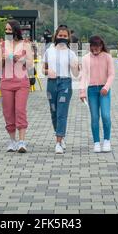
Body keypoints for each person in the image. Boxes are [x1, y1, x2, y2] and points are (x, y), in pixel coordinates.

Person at [0, 20, 34, 153]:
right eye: (6, 29)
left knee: (20, 110)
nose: (7, 32)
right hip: (6, 82)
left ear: (16, 30)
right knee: (8, 112)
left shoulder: (26, 44)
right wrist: (5, 58)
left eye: (10, 30)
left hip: (21, 82)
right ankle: (12, 140)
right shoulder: (2, 45)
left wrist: (20, 59)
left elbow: (30, 65)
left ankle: (22, 141)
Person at [43, 25, 79, 154]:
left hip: (65, 82)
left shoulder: (71, 53)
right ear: (56, 36)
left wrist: (76, 66)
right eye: (60, 35)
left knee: (61, 113)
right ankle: (61, 135)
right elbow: (43, 69)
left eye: (65, 36)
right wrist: (48, 71)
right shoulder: (49, 51)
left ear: (68, 37)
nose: (62, 38)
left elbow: (75, 74)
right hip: (51, 83)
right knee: (54, 112)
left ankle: (58, 142)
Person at [80, 36, 115, 153]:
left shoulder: (107, 57)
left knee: (105, 115)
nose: (96, 48)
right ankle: (96, 142)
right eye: (93, 46)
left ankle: (106, 140)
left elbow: (111, 74)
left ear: (102, 45)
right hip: (91, 90)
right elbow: (83, 75)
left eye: (98, 46)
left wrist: (106, 87)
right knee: (94, 117)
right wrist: (82, 92)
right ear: (90, 46)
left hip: (104, 90)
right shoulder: (85, 58)